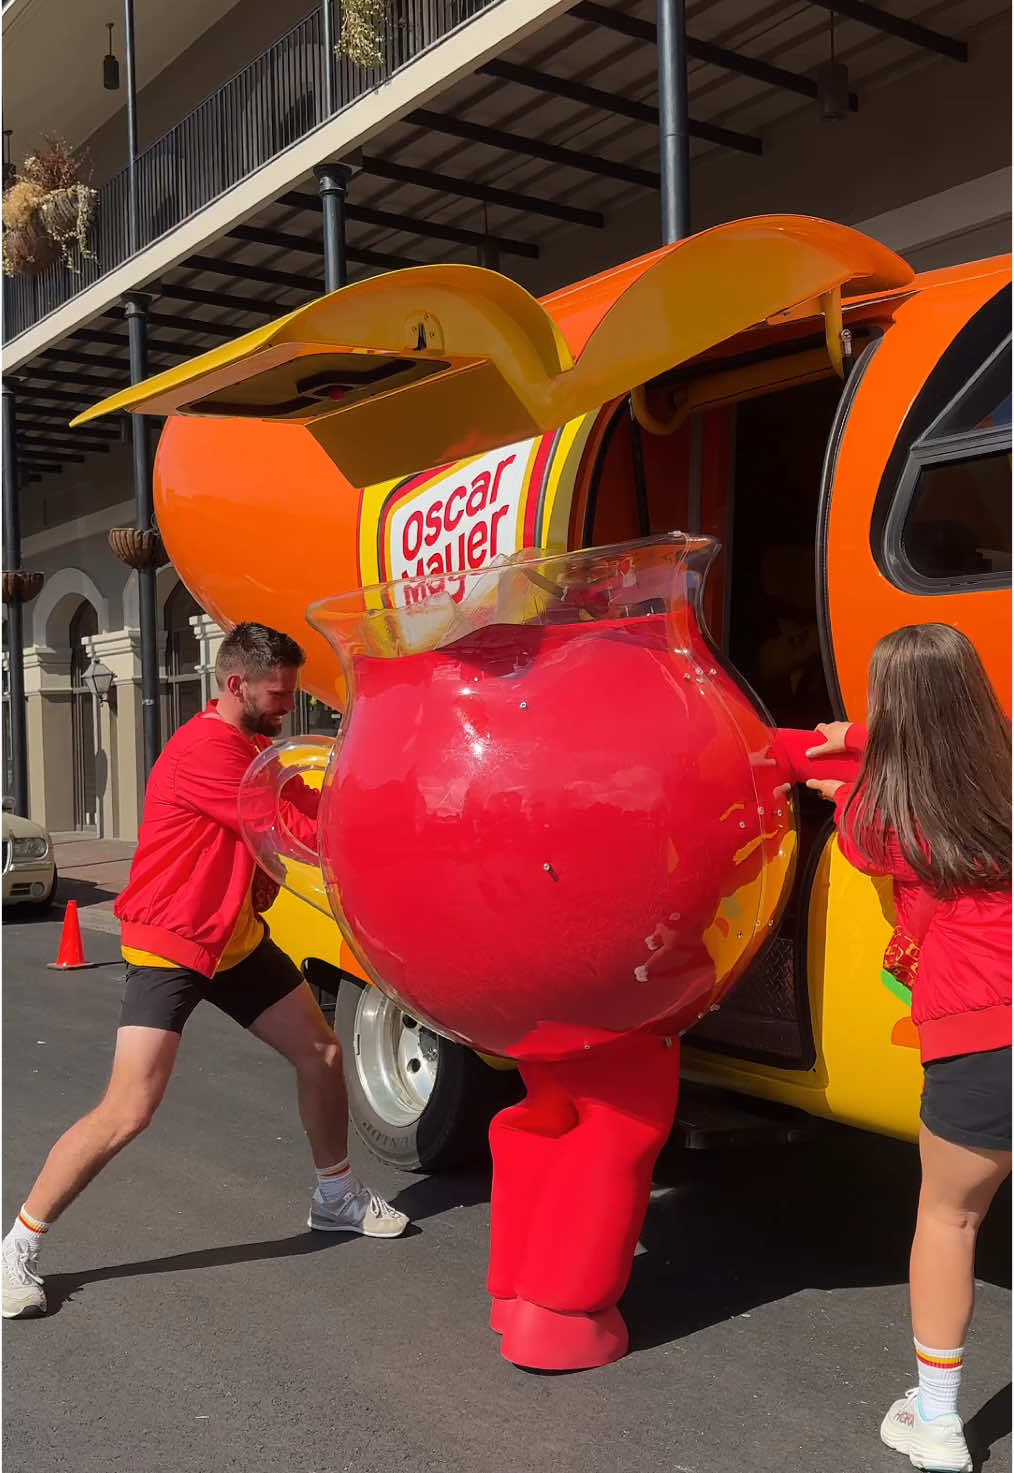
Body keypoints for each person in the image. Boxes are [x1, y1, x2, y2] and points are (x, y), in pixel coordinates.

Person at [3, 622, 408, 1320]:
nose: (288, 706)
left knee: (322, 1051)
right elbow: (289, 827)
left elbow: (311, 813)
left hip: (234, 940)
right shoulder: (206, 753)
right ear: (235, 684)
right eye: (278, 694)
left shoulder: (255, 746)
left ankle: (335, 1196)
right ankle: (16, 1247)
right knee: (129, 1108)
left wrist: (390, 804)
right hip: (173, 941)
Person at [802, 623, 1011, 1473]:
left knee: (950, 1218)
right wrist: (860, 738)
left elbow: (855, 820)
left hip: (982, 1038)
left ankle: (935, 1422)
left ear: (894, 714)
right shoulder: (1003, 776)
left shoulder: (885, 819)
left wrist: (846, 756)